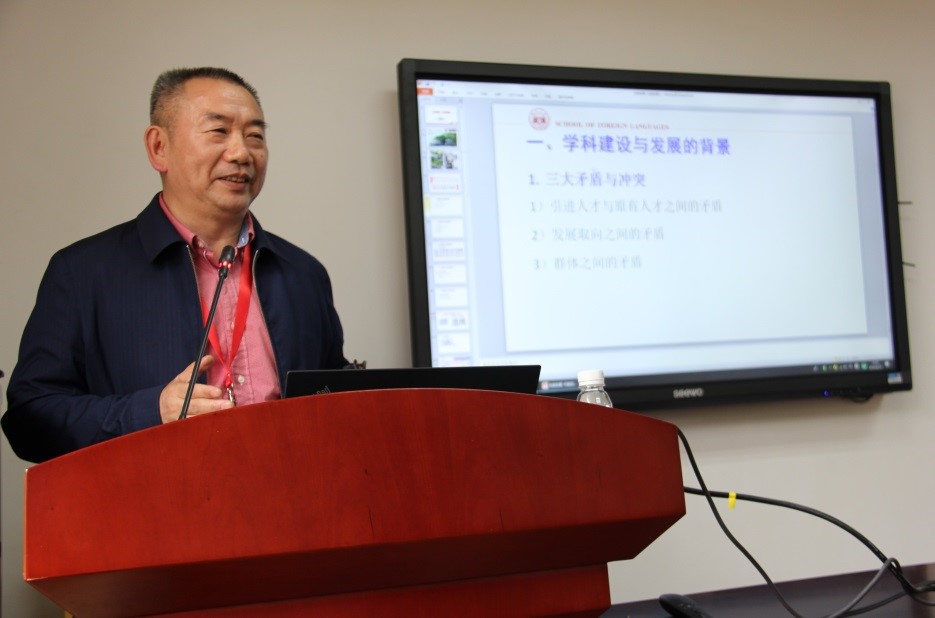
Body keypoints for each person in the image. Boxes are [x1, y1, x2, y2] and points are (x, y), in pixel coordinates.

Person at [2, 67, 348, 463]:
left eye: (255, 136)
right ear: (159, 148)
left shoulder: (303, 273)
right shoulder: (82, 273)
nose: (241, 153)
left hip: (290, 495)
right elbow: (30, 419)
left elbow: (332, 399)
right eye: (218, 131)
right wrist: (152, 412)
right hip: (154, 499)